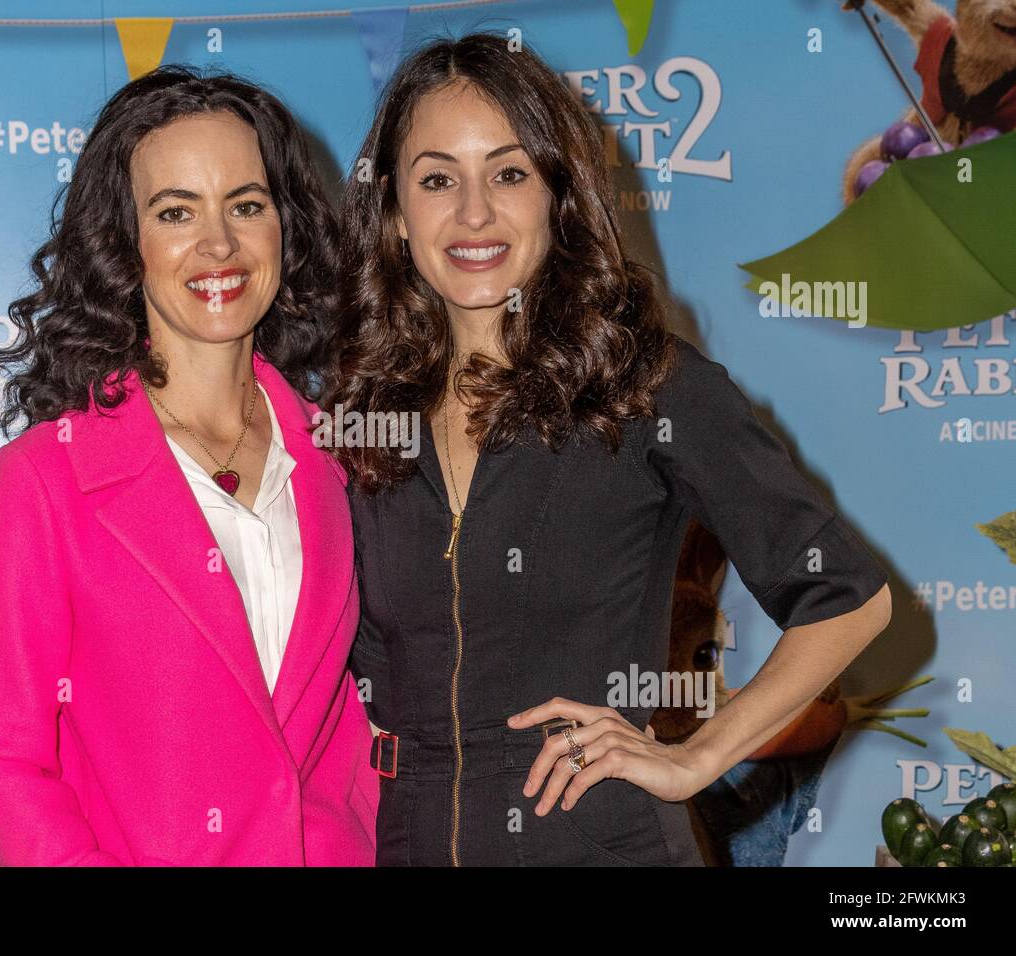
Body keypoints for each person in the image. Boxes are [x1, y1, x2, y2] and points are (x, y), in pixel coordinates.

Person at [325, 33, 892, 867]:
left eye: (510, 173)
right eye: (438, 178)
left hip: (604, 844)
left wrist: (697, 754)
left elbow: (848, 599)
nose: (473, 212)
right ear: (396, 214)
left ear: (558, 198)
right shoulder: (355, 416)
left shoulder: (647, 385)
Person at [0, 65, 377, 866]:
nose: (218, 244)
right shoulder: (45, 478)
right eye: (175, 211)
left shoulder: (344, 456)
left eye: (246, 206)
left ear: (285, 226)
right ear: (126, 243)